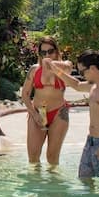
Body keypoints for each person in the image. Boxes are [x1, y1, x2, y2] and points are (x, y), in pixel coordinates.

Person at [44, 48, 99, 179]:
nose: (82, 75)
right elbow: (77, 85)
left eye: (82, 71)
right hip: (91, 141)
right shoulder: (94, 86)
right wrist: (55, 70)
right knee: (84, 179)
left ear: (92, 68)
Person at [20, 36, 71, 166]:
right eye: (43, 52)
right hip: (39, 112)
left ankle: (53, 178)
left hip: (58, 113)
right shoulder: (34, 69)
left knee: (52, 157)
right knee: (33, 156)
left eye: (50, 51)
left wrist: (51, 64)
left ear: (56, 51)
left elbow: (68, 67)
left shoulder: (64, 67)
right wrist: (34, 114)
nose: (47, 55)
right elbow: (25, 94)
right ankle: (35, 179)